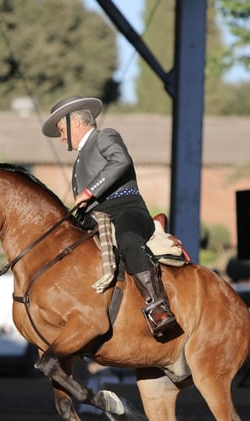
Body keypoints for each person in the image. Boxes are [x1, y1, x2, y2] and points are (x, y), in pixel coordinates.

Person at [42, 95, 177, 337]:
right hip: (94, 218)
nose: (62, 137)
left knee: (127, 239)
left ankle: (157, 306)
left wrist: (89, 191)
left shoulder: (105, 136)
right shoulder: (80, 159)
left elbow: (120, 161)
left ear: (76, 122)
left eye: (62, 130)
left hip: (127, 210)